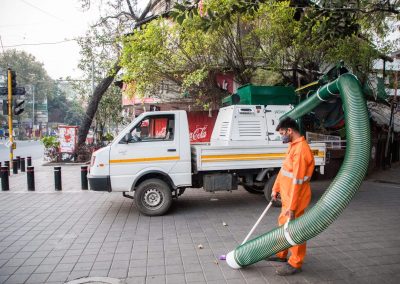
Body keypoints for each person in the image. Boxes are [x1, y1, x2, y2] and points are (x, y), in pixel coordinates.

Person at [267, 117, 315, 276]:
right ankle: (282, 254)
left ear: (290, 130)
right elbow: (284, 170)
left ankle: (295, 263)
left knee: (295, 231)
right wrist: (276, 188)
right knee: (283, 226)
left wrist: (292, 208)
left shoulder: (301, 150)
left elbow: (298, 182)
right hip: (287, 197)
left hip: (296, 199)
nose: (281, 136)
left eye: (282, 133)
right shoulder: (292, 146)